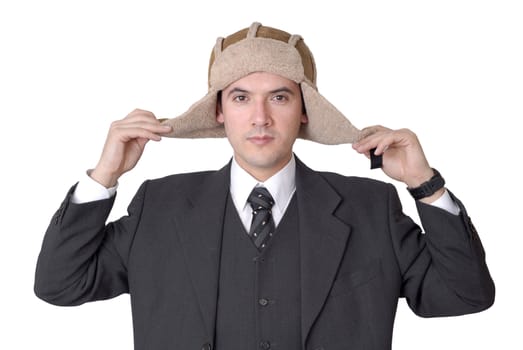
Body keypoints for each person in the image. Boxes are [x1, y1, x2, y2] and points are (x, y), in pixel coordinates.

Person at [34, 22, 495, 350]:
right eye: (240, 98)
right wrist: (104, 177)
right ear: (219, 113)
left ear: (304, 111)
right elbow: (61, 285)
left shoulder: (370, 206)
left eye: (279, 97)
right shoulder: (162, 205)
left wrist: (425, 185)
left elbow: (465, 295)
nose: (260, 117)